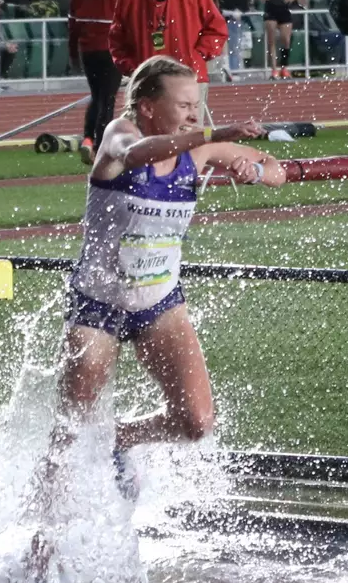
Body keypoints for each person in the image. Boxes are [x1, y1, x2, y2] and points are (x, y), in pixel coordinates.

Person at [38, 55, 281, 528]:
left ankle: (117, 438)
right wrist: (216, 134)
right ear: (147, 106)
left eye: (198, 104)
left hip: (159, 304)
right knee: (71, 426)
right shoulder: (119, 135)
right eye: (185, 104)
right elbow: (139, 154)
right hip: (98, 305)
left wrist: (257, 170)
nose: (195, 113)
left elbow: (272, 168)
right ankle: (45, 527)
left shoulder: (199, 151)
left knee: (196, 422)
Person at [110, 0, 228, 119]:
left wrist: (196, 56)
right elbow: (116, 39)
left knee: (188, 141)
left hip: (189, 80)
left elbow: (217, 28)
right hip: (147, 82)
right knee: (149, 144)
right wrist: (132, 67)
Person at [69, 0, 127, 163]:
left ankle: (87, 139)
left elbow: (72, 21)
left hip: (87, 48)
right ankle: (102, 149)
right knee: (108, 99)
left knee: (96, 96)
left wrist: (73, 52)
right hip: (111, 48)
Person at [216, 0, 252, 76]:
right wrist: (232, 10)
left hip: (236, 14)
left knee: (235, 44)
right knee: (233, 45)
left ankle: (234, 70)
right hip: (230, 15)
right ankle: (233, 71)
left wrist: (244, 3)